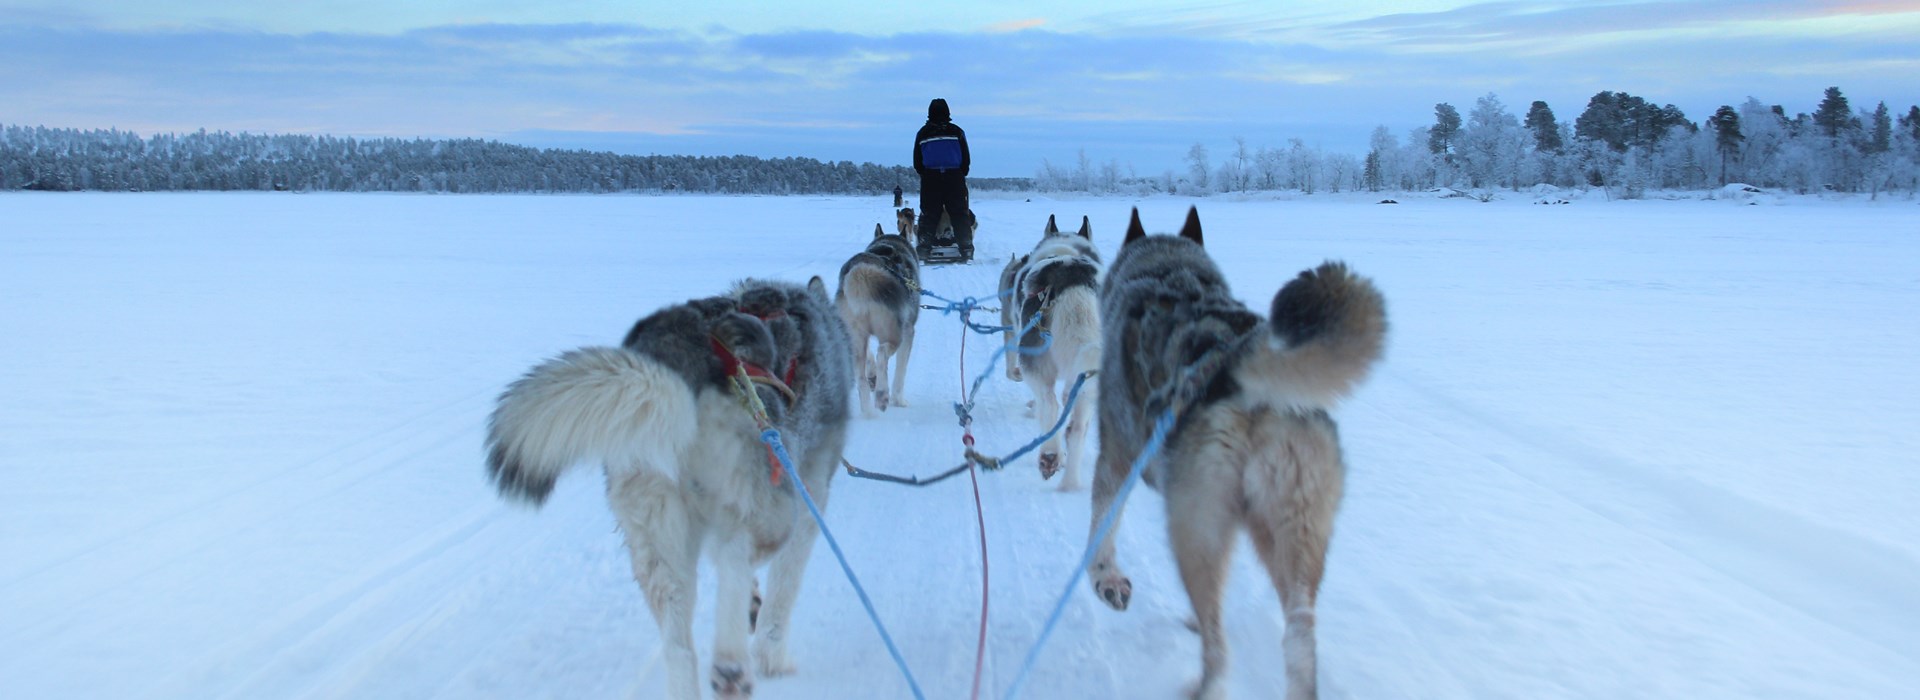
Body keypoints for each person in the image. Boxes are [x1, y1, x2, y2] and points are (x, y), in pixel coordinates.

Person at [913, 98, 972, 261]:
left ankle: (925, 247)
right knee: (959, 213)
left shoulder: (923, 133)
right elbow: (965, 157)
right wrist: (961, 173)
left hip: (931, 177)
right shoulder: (957, 131)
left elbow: (917, 160)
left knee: (929, 213)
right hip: (954, 176)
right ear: (948, 112)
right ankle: (966, 247)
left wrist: (924, 174)